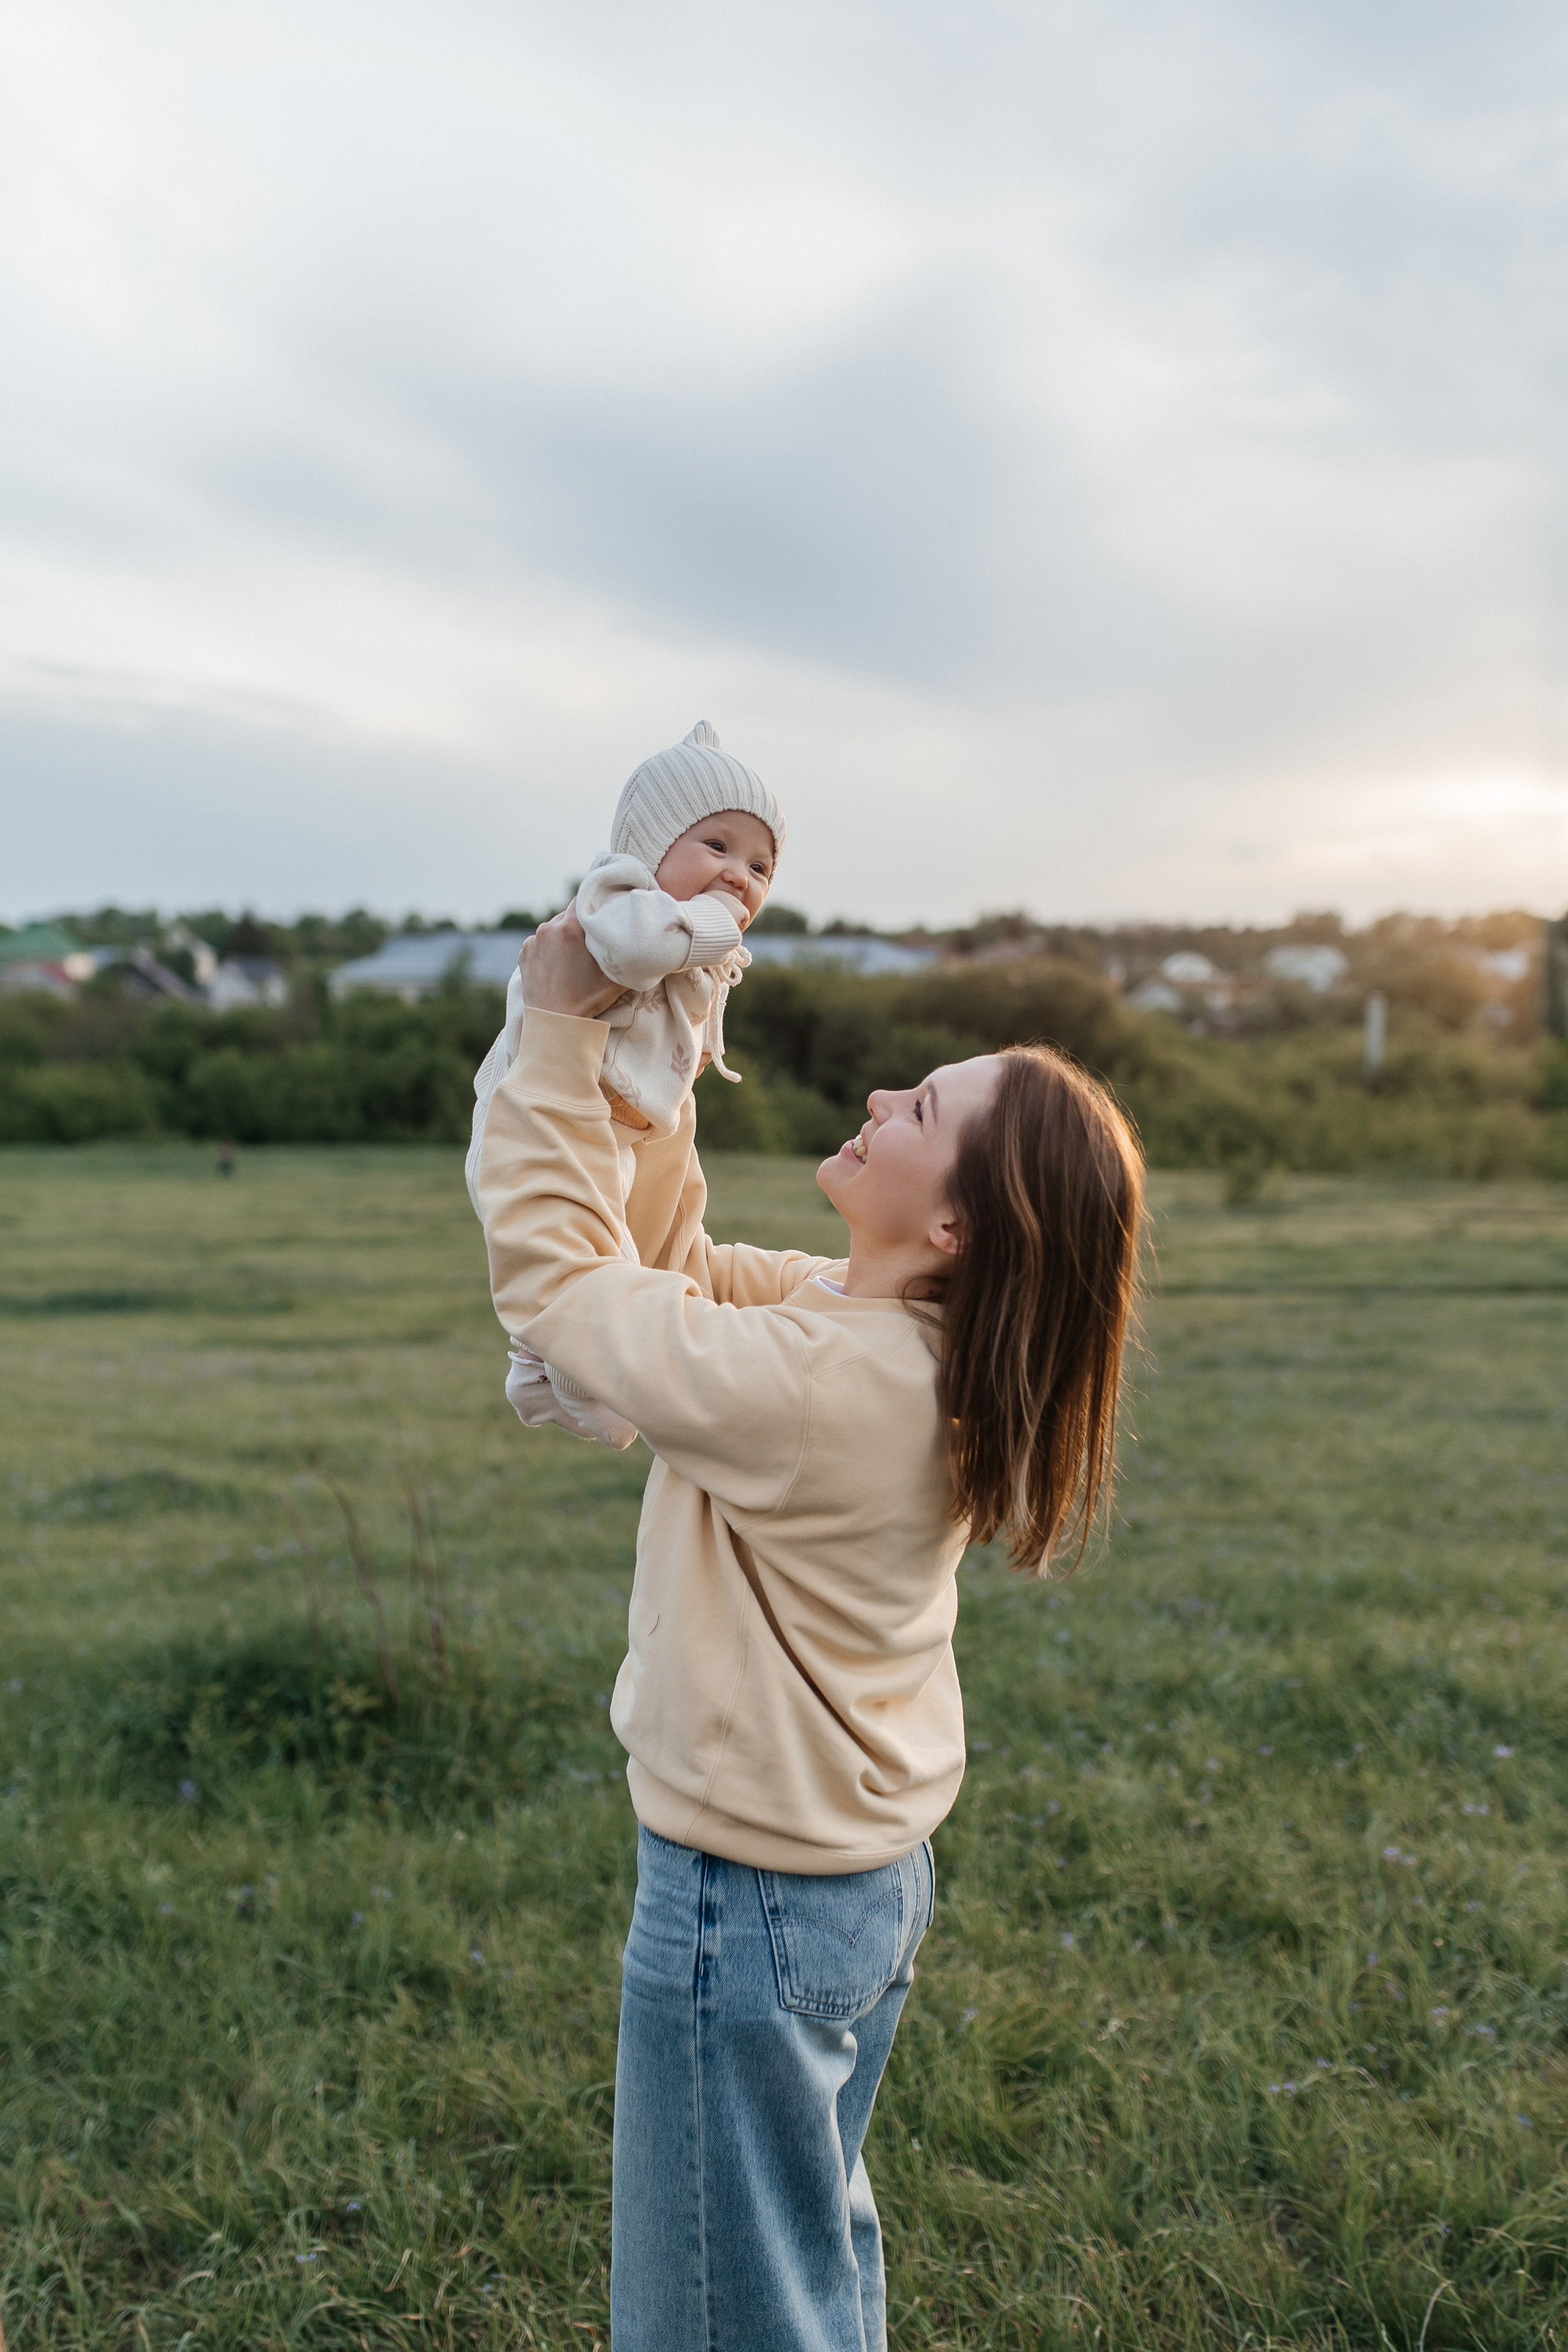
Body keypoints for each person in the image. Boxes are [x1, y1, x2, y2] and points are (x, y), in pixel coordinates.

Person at [476, 906, 1145, 2352]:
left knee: (715, 2312)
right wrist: (648, 1076)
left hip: (751, 1902)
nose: (874, 1099)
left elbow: (563, 1284)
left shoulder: (826, 1386)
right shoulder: (891, 1341)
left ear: (955, 1221)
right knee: (795, 2267)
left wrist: (552, 1028)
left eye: (916, 1108)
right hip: (848, 1883)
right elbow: (678, 1268)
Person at [466, 718, 783, 1446]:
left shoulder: (686, 946)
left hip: (613, 1124)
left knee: (643, 1244)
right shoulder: (618, 897)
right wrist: (710, 926)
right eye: (717, 846)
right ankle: (590, 1386)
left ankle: (533, 1370)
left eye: (761, 867)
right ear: (652, 842)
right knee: (598, 1261)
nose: (739, 875)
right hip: (547, 1115)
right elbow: (636, 948)